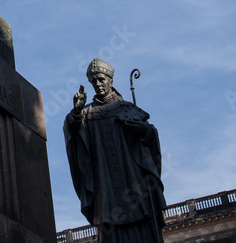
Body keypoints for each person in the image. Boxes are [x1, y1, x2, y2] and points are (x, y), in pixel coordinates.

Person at [64, 59, 167, 242]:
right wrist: (76, 111)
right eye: (94, 81)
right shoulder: (86, 115)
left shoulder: (127, 108)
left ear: (110, 80)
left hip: (133, 179)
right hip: (105, 184)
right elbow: (73, 132)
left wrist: (143, 130)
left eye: (101, 79)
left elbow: (150, 136)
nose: (97, 84)